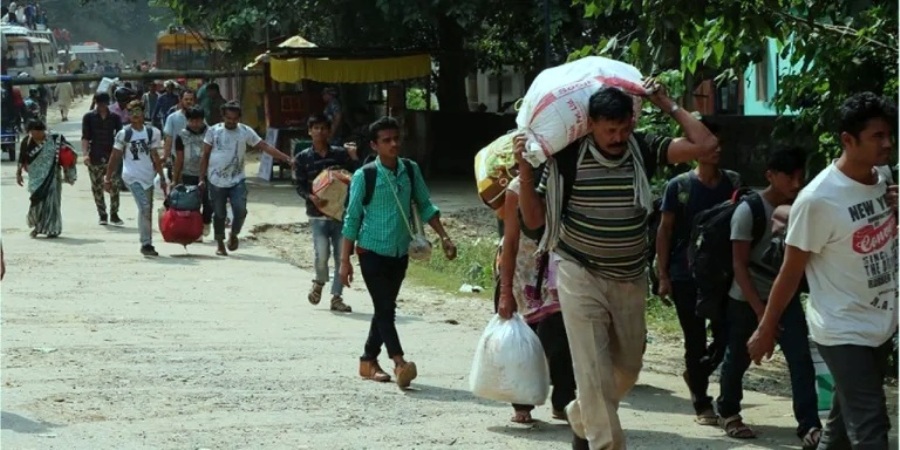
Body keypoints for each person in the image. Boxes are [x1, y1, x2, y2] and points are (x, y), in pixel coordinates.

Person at [516, 83, 720, 450]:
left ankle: (582, 413)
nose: (617, 137)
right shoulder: (566, 157)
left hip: (629, 277)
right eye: (609, 130)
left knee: (627, 368)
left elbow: (706, 146)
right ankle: (607, 443)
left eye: (624, 128)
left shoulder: (642, 148)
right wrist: (525, 171)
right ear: (590, 124)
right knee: (592, 371)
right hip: (580, 272)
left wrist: (667, 103)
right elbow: (533, 221)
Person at [748, 92, 898, 450]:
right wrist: (766, 328)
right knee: (871, 426)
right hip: (842, 328)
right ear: (848, 140)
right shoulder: (818, 199)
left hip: (881, 322)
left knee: (843, 426)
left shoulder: (885, 180)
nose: (888, 143)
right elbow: (789, 270)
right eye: (877, 136)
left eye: (889, 134)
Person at [715, 146, 822, 447]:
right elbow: (739, 265)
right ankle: (728, 411)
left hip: (784, 297)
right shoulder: (748, 210)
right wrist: (762, 313)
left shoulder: (801, 208)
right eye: (789, 177)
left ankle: (809, 424)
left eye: (800, 177)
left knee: (800, 358)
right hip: (746, 298)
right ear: (771, 176)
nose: (796, 184)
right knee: (738, 356)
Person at [340, 116, 457, 389]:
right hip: (370, 251)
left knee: (385, 308)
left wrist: (444, 236)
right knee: (385, 308)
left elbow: (426, 205)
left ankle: (368, 360)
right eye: (386, 140)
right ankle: (399, 362)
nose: (393, 144)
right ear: (374, 145)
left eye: (396, 139)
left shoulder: (410, 170)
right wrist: (345, 262)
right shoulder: (364, 175)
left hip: (400, 253)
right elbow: (352, 218)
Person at [655, 120, 739, 425]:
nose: (715, 150)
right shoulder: (679, 187)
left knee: (728, 336)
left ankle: (697, 373)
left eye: (719, 144)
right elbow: (665, 231)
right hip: (684, 273)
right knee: (694, 338)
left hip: (723, 275)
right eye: (709, 144)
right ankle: (702, 401)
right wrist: (663, 275)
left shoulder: (732, 183)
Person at [497, 174, 576, 424]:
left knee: (561, 340)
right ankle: (522, 402)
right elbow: (510, 243)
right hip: (524, 276)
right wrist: (506, 291)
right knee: (525, 343)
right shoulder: (516, 189)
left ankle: (564, 400)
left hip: (560, 272)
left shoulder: (569, 181)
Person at [199, 101, 294, 256]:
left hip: (237, 179)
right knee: (219, 213)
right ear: (223, 116)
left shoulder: (245, 132)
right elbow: (205, 155)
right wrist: (201, 178)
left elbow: (264, 146)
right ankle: (220, 242)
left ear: (239, 118)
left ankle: (234, 234)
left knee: (240, 210)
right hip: (216, 180)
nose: (231, 121)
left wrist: (286, 159)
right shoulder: (213, 132)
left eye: (234, 118)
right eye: (228, 118)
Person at [294, 114, 360, 313]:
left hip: (341, 214)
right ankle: (319, 281)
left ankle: (337, 297)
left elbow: (358, 177)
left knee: (342, 257)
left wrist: (355, 156)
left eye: (323, 128)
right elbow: (298, 185)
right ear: (309, 131)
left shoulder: (341, 154)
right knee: (322, 254)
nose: (320, 132)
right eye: (316, 128)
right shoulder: (302, 158)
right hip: (317, 214)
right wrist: (310, 197)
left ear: (329, 131)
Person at [105, 100, 166, 256]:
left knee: (146, 209)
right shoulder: (124, 134)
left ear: (143, 113)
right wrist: (108, 177)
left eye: (138, 111)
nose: (135, 115)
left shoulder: (152, 132)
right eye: (131, 112)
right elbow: (115, 156)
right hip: (131, 176)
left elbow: (154, 156)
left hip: (148, 176)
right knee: (144, 207)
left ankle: (147, 242)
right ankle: (146, 244)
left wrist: (161, 176)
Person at [15, 119, 76, 238]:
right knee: (37, 202)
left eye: (40, 132)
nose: (37, 135)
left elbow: (70, 152)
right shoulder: (26, 142)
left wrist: (68, 169)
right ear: (30, 131)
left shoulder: (55, 139)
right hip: (36, 178)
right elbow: (21, 159)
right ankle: (38, 226)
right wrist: (18, 173)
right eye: (34, 132)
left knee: (52, 203)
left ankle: (52, 228)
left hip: (53, 177)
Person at [81, 92, 123, 226]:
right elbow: (85, 137)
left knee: (115, 184)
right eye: (99, 104)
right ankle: (102, 214)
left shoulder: (115, 118)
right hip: (95, 155)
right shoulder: (88, 117)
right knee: (97, 187)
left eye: (104, 104)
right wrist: (85, 154)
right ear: (96, 103)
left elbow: (121, 137)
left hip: (112, 155)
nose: (102, 106)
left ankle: (114, 213)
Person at [173, 107, 213, 237]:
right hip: (188, 173)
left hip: (208, 174)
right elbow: (179, 159)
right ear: (188, 120)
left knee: (208, 202)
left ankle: (206, 222)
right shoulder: (181, 136)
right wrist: (176, 178)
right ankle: (196, 231)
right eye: (192, 121)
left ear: (202, 120)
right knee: (192, 204)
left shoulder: (210, 133)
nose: (196, 124)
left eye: (199, 121)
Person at [163, 89, 196, 181]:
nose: (189, 101)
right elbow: (168, 138)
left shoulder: (199, 117)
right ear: (181, 100)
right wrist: (165, 156)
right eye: (186, 99)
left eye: (191, 99)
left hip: (195, 159)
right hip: (177, 158)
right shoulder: (172, 118)